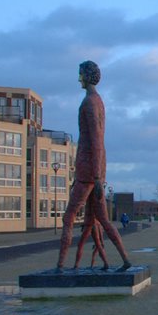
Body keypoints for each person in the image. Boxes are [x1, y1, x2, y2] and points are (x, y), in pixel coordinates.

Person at [56, 61, 132, 272]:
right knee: (103, 220)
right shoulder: (97, 101)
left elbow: (96, 139)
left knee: (69, 216)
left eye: (80, 74)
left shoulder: (90, 102)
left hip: (89, 172)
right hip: (92, 170)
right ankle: (125, 259)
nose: (78, 78)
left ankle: (60, 266)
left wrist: (96, 177)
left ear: (87, 77)